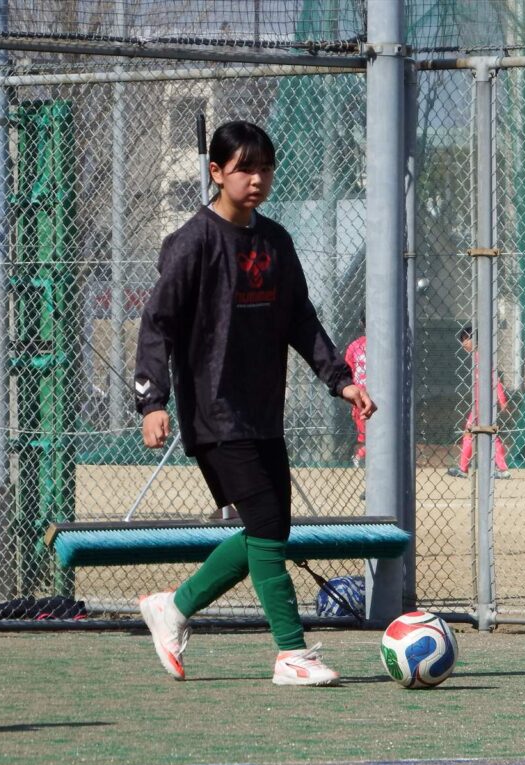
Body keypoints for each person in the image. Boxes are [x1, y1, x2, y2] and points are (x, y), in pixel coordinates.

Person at [133, 121, 376, 686]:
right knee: (266, 524)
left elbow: (300, 319)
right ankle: (291, 653)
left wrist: (340, 379)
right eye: (244, 168)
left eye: (265, 167)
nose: (257, 179)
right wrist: (152, 400)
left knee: (270, 530)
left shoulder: (275, 242)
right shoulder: (193, 242)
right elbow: (157, 324)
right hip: (214, 411)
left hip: (263, 411)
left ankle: (173, 608)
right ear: (216, 172)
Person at [447, 325, 511, 480]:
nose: (464, 343)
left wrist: (502, 399)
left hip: (482, 405)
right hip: (480, 405)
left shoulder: (481, 357)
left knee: (475, 433)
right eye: (462, 340)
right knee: (486, 433)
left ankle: (466, 469)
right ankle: (499, 469)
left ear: (475, 339)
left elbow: (494, 379)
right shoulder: (478, 356)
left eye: (466, 339)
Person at [344, 314, 367, 467]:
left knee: (370, 435)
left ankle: (359, 457)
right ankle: (359, 458)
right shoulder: (355, 346)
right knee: (365, 435)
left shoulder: (355, 346)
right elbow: (348, 370)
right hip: (361, 398)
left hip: (371, 397)